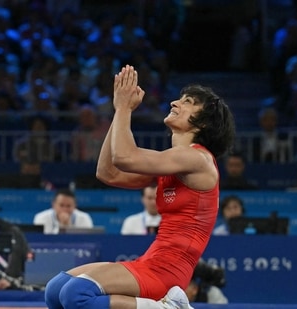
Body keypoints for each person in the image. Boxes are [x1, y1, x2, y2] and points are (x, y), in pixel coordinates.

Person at [44, 65, 235, 309]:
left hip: (169, 272)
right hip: (151, 260)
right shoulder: (173, 162)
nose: (176, 103)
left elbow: (126, 157)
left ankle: (169, 307)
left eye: (188, 102)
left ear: (205, 123)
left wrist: (125, 108)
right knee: (55, 290)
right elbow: (108, 173)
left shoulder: (198, 159)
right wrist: (119, 111)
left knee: (77, 294)